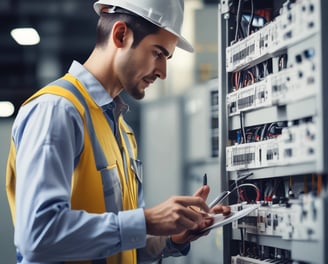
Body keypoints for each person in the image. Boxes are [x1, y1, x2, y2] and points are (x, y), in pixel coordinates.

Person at [6, 0, 230, 263]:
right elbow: (38, 236)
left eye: (167, 58)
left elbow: (118, 245)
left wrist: (171, 237)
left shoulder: (121, 130)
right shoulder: (58, 110)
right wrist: (146, 221)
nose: (163, 72)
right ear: (121, 35)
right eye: (158, 53)